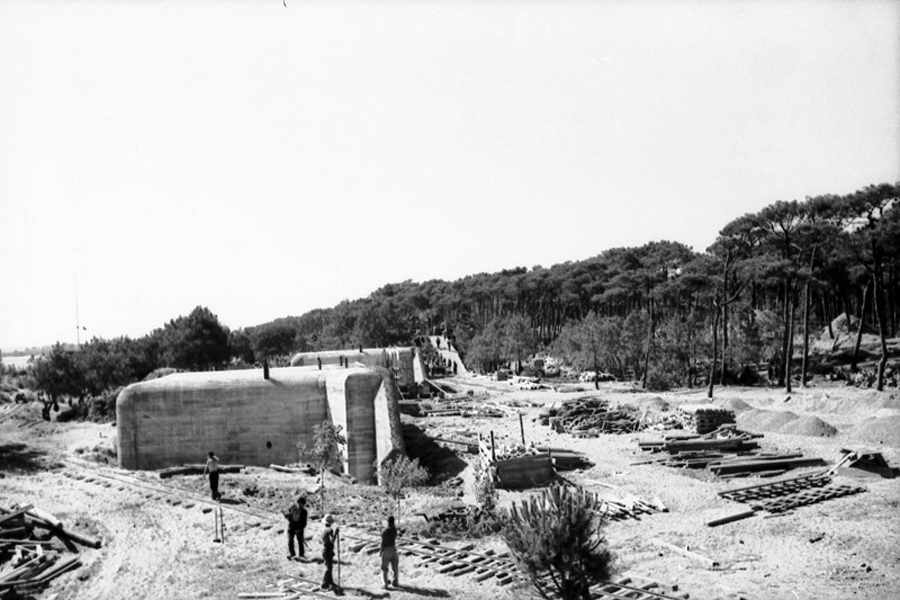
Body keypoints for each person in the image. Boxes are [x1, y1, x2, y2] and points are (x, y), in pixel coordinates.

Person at [320, 514, 339, 591]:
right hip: (327, 550)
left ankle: (330, 582)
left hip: (326, 549)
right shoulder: (329, 530)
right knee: (328, 568)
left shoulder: (324, 529)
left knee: (330, 566)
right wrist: (336, 533)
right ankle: (324, 584)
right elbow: (332, 541)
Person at [380, 516, 399, 589]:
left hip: (386, 549)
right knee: (395, 567)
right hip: (393, 549)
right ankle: (395, 582)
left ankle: (385, 584)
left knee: (384, 568)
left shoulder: (384, 531)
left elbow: (382, 542)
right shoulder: (394, 530)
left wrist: (381, 551)